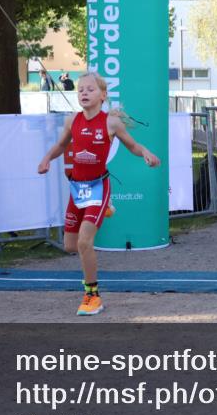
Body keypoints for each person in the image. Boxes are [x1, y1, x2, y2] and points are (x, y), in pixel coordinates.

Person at [37, 72, 160, 315]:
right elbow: (62, 145)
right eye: (80, 89)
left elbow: (133, 146)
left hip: (98, 187)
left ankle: (92, 295)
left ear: (103, 95)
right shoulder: (72, 121)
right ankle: (108, 208)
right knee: (71, 246)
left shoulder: (111, 123)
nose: (83, 92)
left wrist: (145, 152)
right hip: (77, 189)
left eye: (90, 89)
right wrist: (46, 158)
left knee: (85, 242)